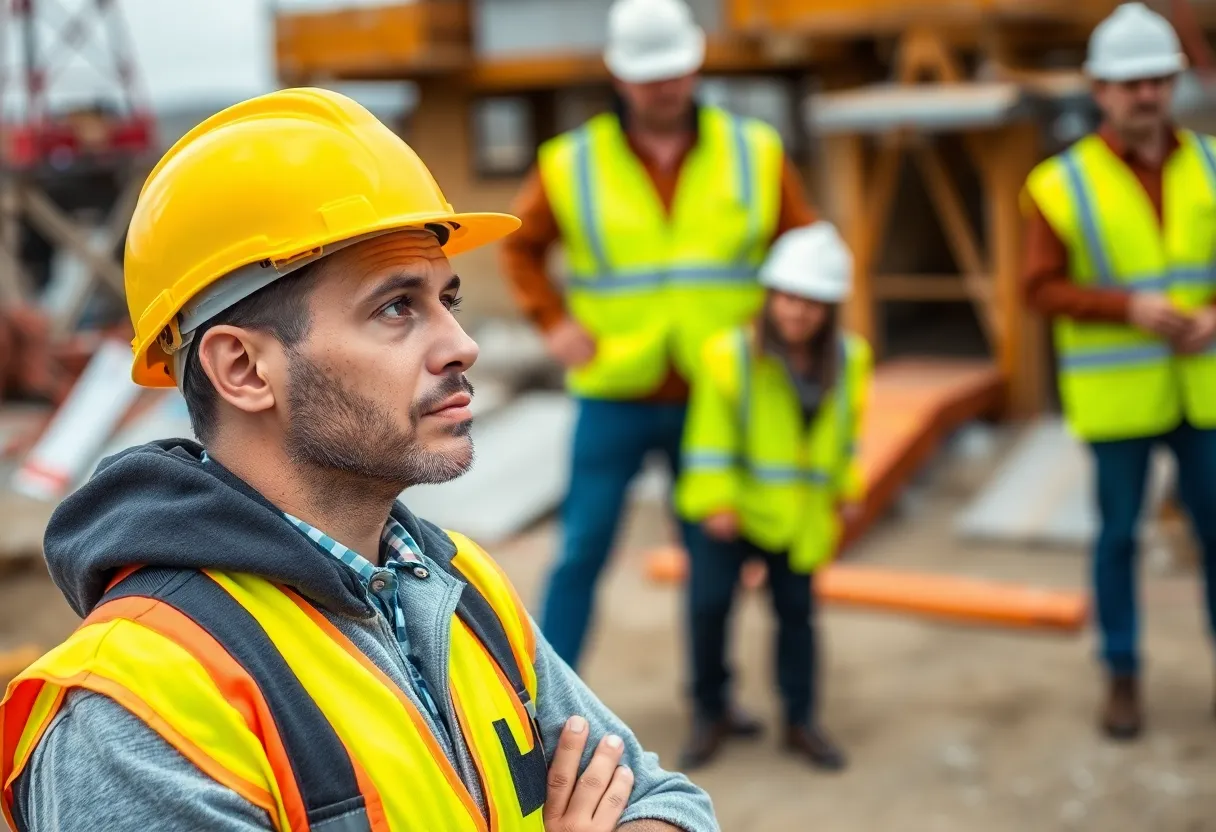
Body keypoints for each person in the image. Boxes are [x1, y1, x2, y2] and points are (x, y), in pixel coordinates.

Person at [0, 88, 718, 832]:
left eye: (449, 299)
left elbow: (670, 804)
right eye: (396, 308)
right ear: (243, 369)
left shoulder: (458, 584)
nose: (461, 345)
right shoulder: (142, 714)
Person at [499, 0, 818, 690]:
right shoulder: (571, 162)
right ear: (620, 77)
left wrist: (787, 342)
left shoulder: (754, 152)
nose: (663, 87)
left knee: (713, 556)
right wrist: (550, 320)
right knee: (582, 547)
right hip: (615, 389)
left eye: (673, 71)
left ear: (695, 64)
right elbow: (520, 247)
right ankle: (541, 705)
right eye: (648, 75)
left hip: (717, 394)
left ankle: (712, 699)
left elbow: (802, 251)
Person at [1021, 1, 1216, 741]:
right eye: (1130, 83)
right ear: (1100, 90)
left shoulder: (1212, 165)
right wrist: (1125, 307)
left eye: (1157, 80)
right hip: (1118, 399)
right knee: (1117, 539)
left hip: (1205, 391)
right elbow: (1036, 289)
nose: (1146, 95)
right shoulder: (1058, 183)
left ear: (1174, 83)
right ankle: (1122, 673)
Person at [674, 223, 871, 770]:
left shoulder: (850, 361)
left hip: (797, 514)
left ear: (830, 308)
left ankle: (801, 721)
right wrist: (717, 499)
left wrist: (846, 489)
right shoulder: (729, 356)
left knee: (798, 616)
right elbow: (708, 438)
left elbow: (844, 438)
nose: (795, 311)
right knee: (709, 608)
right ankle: (710, 711)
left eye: (811, 301)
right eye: (786, 297)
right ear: (770, 295)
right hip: (730, 510)